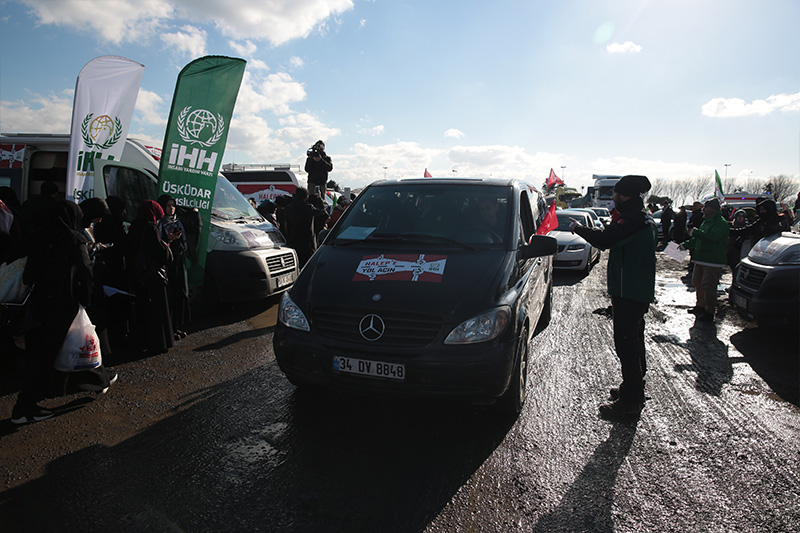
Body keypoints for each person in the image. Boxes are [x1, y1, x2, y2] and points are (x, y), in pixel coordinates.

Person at [11, 201, 116, 424]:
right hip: (63, 307)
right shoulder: (74, 238)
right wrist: (85, 301)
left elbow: (16, 255)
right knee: (61, 351)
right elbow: (86, 272)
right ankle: (23, 408)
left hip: (36, 303)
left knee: (45, 353)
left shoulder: (39, 234)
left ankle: (97, 380)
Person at [570, 175, 657, 419]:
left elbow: (605, 240)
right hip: (636, 290)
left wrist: (578, 228)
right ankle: (634, 386)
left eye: (616, 194)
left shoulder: (632, 220)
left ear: (624, 195)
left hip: (629, 290)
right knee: (635, 339)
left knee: (626, 343)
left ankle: (630, 401)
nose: (613, 198)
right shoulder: (642, 217)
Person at [127, 200, 173, 356]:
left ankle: (141, 340)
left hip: (138, 273)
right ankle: (158, 343)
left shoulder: (134, 225)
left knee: (142, 309)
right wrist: (167, 242)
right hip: (152, 276)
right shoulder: (151, 227)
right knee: (156, 310)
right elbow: (161, 253)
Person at [682, 198, 730, 322]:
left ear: (713, 209)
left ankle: (709, 311)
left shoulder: (721, 223)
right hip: (701, 259)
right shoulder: (706, 222)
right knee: (697, 282)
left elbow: (712, 237)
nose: (703, 209)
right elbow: (698, 239)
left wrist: (695, 233)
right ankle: (700, 305)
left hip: (713, 260)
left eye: (706, 207)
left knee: (708, 285)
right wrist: (685, 245)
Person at [157, 194, 191, 341]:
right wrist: (168, 239)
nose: (171, 208)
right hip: (167, 264)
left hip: (179, 260)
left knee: (180, 292)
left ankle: (177, 325)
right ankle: (170, 327)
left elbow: (185, 241)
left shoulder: (178, 222)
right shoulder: (159, 223)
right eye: (168, 205)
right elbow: (157, 244)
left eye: (173, 205)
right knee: (169, 294)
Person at [283, 187, 328, 267]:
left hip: (294, 239)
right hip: (307, 240)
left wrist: (288, 236)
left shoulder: (290, 207)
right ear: (306, 196)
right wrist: (319, 199)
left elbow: (286, 224)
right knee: (308, 264)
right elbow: (322, 211)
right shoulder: (308, 207)